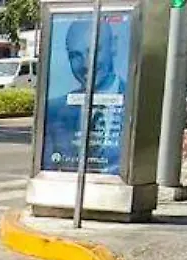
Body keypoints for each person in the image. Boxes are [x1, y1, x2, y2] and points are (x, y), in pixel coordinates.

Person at [42, 18, 126, 175]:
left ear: (113, 46)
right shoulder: (54, 110)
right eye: (76, 55)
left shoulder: (136, 104)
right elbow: (49, 169)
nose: (86, 64)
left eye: (94, 50)